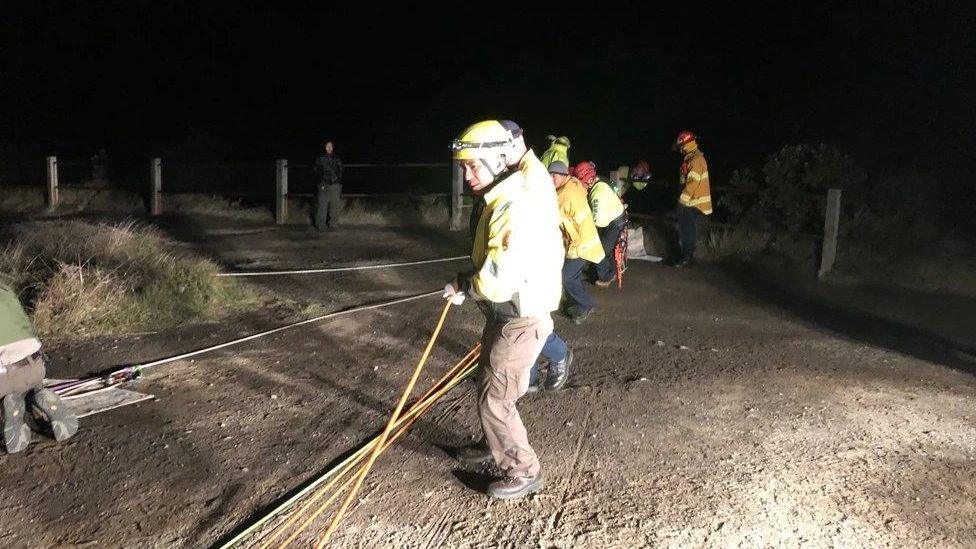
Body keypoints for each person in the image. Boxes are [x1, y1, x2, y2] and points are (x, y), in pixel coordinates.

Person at [444, 119, 564, 499]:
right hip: (508, 312)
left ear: (500, 159)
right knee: (489, 383)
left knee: (496, 397)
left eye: (474, 165)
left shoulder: (513, 204)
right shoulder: (509, 190)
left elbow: (496, 278)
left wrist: (468, 285)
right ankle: (492, 443)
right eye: (463, 166)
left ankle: (523, 470)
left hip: (521, 316)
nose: (467, 175)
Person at [1, 281, 78, 453]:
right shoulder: (5, 288)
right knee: (26, 390)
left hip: (3, 377)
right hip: (35, 366)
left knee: (8, 394)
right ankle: (33, 399)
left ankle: (10, 408)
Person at [553, 161, 604, 324]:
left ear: (563, 175)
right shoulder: (573, 183)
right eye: (550, 175)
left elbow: (554, 217)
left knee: (566, 277)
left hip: (581, 243)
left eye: (554, 176)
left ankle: (585, 304)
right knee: (571, 275)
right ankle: (575, 302)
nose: (551, 179)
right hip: (584, 239)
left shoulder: (563, 195)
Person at [577, 161, 627, 287]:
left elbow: (597, 221)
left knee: (598, 250)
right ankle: (608, 271)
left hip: (614, 224)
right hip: (618, 218)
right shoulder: (601, 182)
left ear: (587, 180)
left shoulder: (596, 195)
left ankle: (607, 276)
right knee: (605, 248)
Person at [672, 131, 712, 267]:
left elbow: (692, 184)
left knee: (687, 231)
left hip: (692, 203)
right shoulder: (693, 158)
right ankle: (687, 258)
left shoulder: (695, 160)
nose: (680, 150)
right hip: (692, 202)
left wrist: (682, 201)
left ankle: (686, 259)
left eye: (681, 146)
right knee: (687, 230)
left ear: (686, 144)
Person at [313, 140, 344, 231]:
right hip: (323, 184)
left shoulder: (337, 158)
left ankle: (333, 224)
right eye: (327, 146)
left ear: (333, 148)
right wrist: (320, 181)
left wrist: (338, 181)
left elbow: (341, 169)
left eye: (331, 146)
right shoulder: (320, 158)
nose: (329, 148)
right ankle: (321, 225)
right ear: (324, 147)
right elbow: (316, 170)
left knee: (334, 205)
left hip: (335, 185)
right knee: (322, 205)